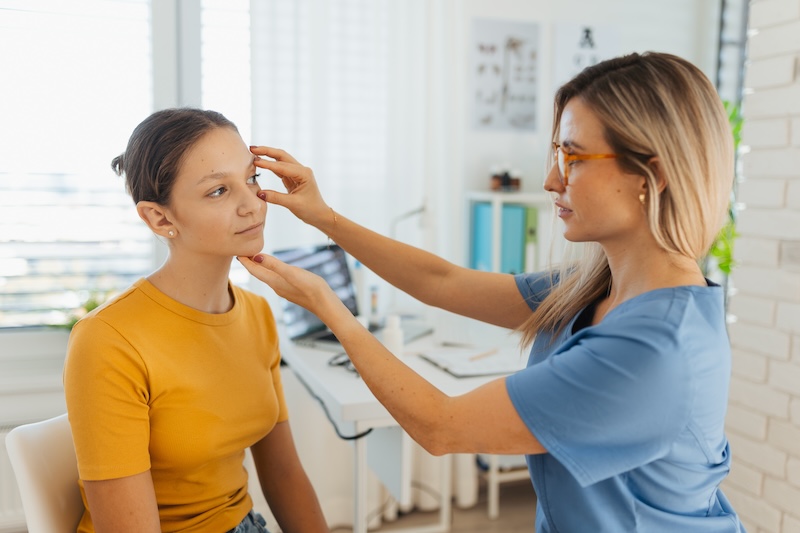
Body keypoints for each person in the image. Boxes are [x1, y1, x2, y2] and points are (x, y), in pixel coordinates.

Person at [239, 52, 746, 532]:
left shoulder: (654, 350)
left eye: (573, 157)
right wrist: (324, 216)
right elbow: (443, 283)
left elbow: (442, 426)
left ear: (650, 175)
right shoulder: (597, 285)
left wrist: (331, 308)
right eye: (556, 154)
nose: (551, 180)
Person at [63, 108, 328, 533]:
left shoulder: (256, 314)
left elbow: (284, 475)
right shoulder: (108, 340)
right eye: (219, 191)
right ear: (160, 218)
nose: (252, 205)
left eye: (252, 178)